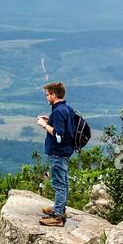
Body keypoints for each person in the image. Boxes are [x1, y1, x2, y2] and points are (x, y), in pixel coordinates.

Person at [37, 81, 76, 226]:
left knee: (59, 184)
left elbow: (59, 135)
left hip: (58, 153)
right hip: (65, 151)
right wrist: (51, 121)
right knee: (63, 182)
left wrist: (44, 125)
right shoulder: (66, 108)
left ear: (54, 95)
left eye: (48, 95)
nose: (47, 97)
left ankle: (58, 216)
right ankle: (60, 207)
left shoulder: (59, 111)